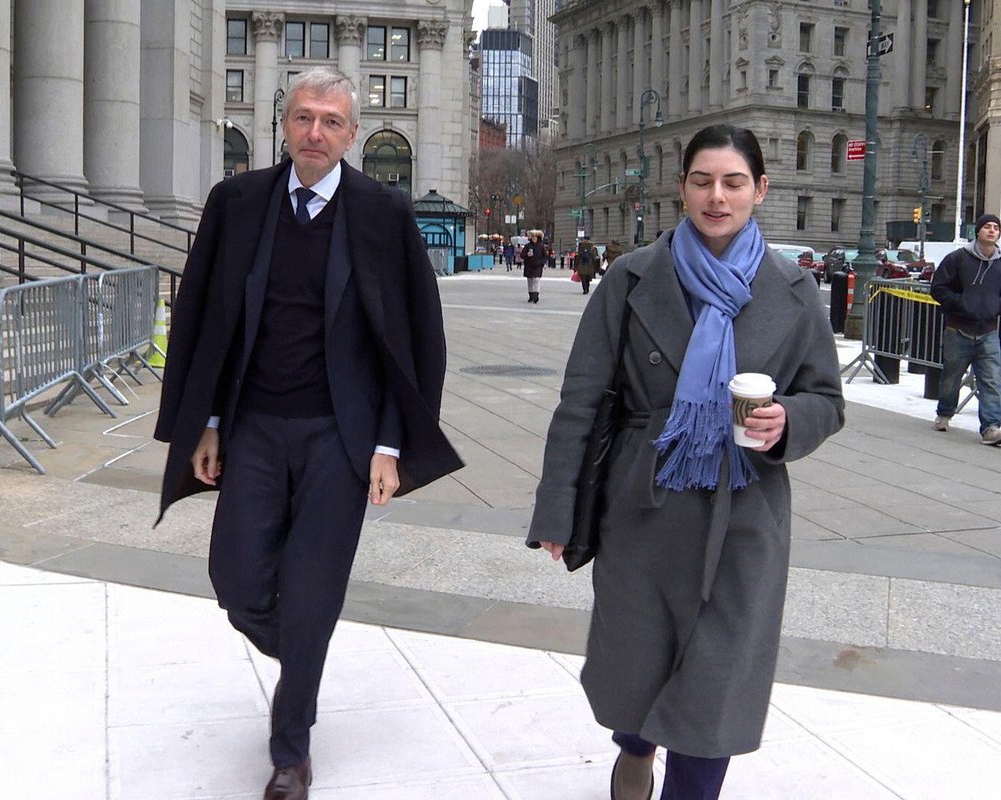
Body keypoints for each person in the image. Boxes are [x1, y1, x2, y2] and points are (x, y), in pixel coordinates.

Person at [153, 67, 463, 800]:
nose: (315, 132)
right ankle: (304, 651)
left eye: (330, 121)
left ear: (351, 134)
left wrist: (391, 444)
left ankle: (290, 751)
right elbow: (200, 317)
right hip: (253, 427)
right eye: (302, 118)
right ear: (282, 125)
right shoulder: (237, 203)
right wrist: (206, 424)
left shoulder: (383, 212)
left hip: (341, 437)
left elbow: (419, 338)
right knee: (235, 579)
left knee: (313, 587)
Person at [528, 125, 844, 800]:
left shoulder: (793, 288)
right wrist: (557, 508)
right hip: (643, 503)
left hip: (746, 510)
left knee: (717, 686)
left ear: (760, 190)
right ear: (682, 189)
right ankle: (636, 748)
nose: (717, 197)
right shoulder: (633, 277)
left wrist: (789, 419)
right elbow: (581, 400)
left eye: (733, 182)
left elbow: (827, 398)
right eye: (702, 181)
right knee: (639, 668)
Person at [930, 213, 1001, 444]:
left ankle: (991, 427)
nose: (992, 231)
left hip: (988, 330)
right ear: (977, 232)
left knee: (990, 381)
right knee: (951, 377)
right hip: (958, 329)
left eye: (996, 228)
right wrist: (962, 304)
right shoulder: (958, 259)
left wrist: (993, 307)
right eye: (987, 227)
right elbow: (938, 288)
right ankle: (944, 412)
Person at [521, 229, 549, 303]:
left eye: (535, 237)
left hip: (538, 266)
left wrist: (542, 263)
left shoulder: (541, 246)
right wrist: (527, 255)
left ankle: (536, 295)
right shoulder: (527, 246)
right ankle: (531, 295)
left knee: (536, 280)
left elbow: (545, 256)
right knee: (530, 281)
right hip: (529, 266)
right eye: (533, 237)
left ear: (538, 238)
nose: (534, 238)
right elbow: (522, 255)